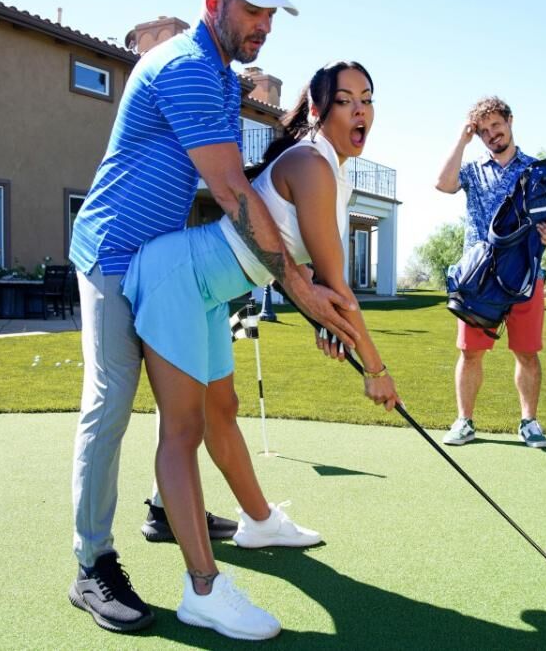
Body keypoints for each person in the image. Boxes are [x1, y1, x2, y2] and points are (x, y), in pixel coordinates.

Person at [66, 0, 360, 639]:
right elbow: (231, 190)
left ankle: (167, 512)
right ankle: (91, 561)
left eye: (271, 13)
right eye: (252, 10)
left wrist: (306, 284)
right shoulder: (190, 68)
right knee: (111, 403)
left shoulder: (225, 79)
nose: (264, 25)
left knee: (196, 406)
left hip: (164, 258)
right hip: (114, 253)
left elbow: (239, 186)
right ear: (215, 4)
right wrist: (302, 288)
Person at [121, 60, 398, 639]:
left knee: (223, 409)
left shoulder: (332, 171)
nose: (361, 110)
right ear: (319, 111)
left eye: (367, 99)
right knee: (183, 430)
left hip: (207, 293)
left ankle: (260, 521)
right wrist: (376, 369)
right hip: (177, 278)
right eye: (346, 101)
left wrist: (321, 317)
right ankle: (202, 589)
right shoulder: (313, 165)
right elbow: (339, 289)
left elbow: (311, 278)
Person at [434, 97, 546, 449]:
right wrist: (462, 140)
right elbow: (443, 184)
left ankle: (529, 423)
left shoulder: (538, 170)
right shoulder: (473, 169)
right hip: (478, 280)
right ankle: (464, 421)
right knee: (470, 353)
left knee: (526, 353)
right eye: (483, 131)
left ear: (510, 121)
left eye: (496, 126)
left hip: (526, 275)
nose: (492, 135)